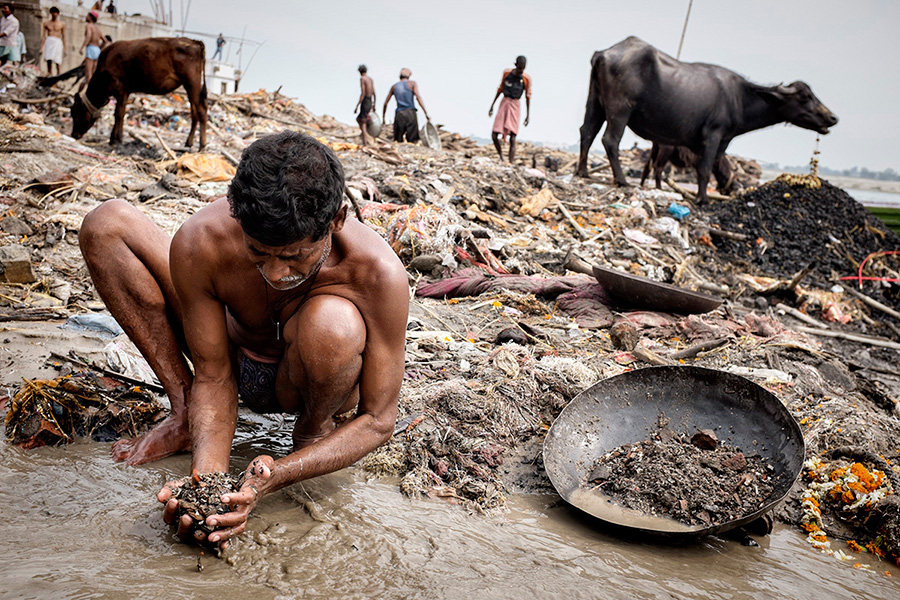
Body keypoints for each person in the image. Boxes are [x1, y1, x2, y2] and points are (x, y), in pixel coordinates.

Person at [78, 131, 408, 549]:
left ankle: (311, 431)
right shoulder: (204, 239)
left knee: (332, 327)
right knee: (107, 223)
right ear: (237, 215)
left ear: (337, 220)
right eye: (258, 253)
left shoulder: (377, 274)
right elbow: (214, 377)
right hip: (228, 361)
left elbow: (379, 420)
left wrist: (277, 475)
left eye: (294, 256)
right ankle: (183, 414)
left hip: (305, 378)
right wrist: (210, 489)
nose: (274, 273)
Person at [488, 55, 532, 163]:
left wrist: (527, 115)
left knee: (513, 136)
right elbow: (500, 89)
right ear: (516, 65)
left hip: (515, 105)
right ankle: (501, 156)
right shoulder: (507, 74)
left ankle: (510, 162)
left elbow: (528, 96)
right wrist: (492, 106)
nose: (521, 71)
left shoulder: (526, 79)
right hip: (504, 102)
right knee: (494, 134)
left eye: (523, 68)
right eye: (520, 68)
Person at [382, 68, 429, 144]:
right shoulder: (412, 84)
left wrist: (383, 117)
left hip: (399, 114)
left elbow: (385, 103)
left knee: (398, 140)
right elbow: (418, 97)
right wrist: (426, 113)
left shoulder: (394, 87)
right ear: (408, 76)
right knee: (413, 140)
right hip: (410, 113)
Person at [79, 11, 107, 90]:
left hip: (90, 48)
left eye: (87, 16)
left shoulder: (89, 26)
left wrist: (82, 47)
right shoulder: (98, 29)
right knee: (94, 74)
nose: (86, 17)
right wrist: (99, 48)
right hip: (97, 50)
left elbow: (88, 36)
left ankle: (90, 92)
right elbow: (105, 41)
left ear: (91, 17)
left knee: (88, 74)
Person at [41, 6, 67, 76]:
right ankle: (50, 74)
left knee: (58, 61)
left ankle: (58, 75)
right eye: (53, 12)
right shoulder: (46, 23)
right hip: (49, 41)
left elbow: (64, 36)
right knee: (49, 60)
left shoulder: (62, 24)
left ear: (58, 14)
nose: (54, 14)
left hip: (57, 42)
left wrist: (65, 49)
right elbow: (43, 36)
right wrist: (41, 48)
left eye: (56, 13)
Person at [354, 64, 376, 146]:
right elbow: (374, 92)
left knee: (362, 121)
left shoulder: (362, 79)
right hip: (370, 100)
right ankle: (365, 136)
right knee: (361, 119)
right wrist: (374, 104)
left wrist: (357, 105)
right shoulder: (370, 79)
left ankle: (365, 142)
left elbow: (363, 92)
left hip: (365, 100)